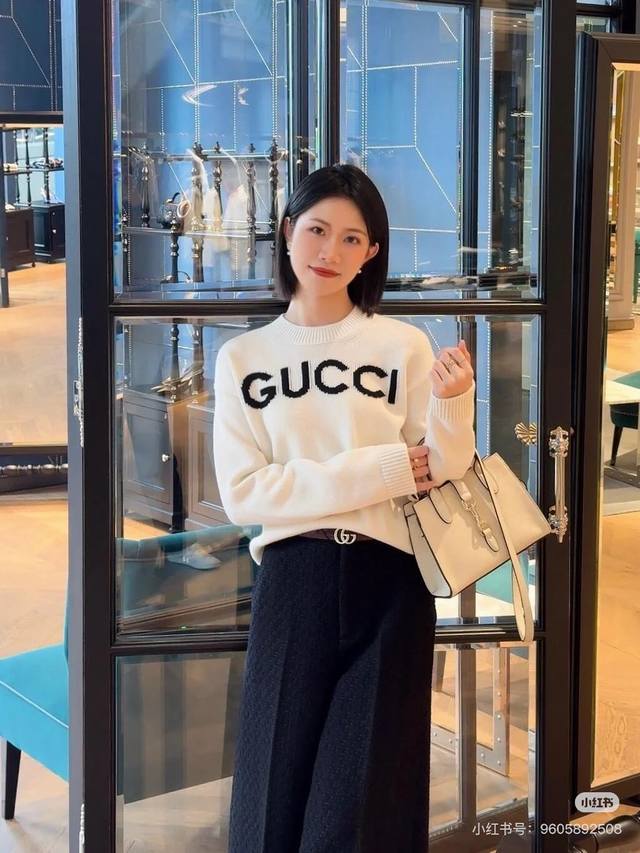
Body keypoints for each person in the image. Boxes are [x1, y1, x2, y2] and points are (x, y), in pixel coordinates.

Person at [213, 164, 475, 852]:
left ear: (372, 253)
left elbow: (441, 469)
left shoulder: (401, 345)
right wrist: (381, 469)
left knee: (361, 808)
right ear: (287, 232)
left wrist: (454, 406)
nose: (330, 251)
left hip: (391, 582)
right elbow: (244, 492)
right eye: (317, 230)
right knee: (271, 795)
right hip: (293, 580)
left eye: (351, 238)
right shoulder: (243, 358)